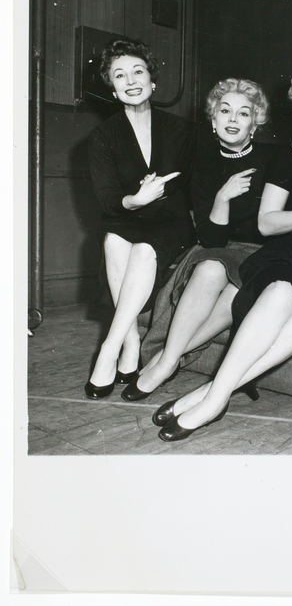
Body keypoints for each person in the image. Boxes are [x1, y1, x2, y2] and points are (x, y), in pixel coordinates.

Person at [155, 53, 292, 443]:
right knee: (278, 293)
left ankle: (207, 395)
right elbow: (266, 222)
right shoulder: (291, 152)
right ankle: (213, 402)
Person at [121, 78, 275, 401]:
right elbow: (212, 239)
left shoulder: (272, 160)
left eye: (243, 113)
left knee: (238, 288)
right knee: (211, 267)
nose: (233, 119)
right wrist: (223, 197)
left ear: (254, 124)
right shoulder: (203, 166)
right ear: (214, 120)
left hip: (266, 252)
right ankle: (167, 363)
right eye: (225, 111)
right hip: (219, 250)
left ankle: (167, 358)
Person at [85, 38, 195, 399]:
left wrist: (159, 195)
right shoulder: (103, 135)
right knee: (113, 239)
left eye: (138, 71)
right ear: (113, 89)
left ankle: (108, 349)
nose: (130, 80)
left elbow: (195, 184)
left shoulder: (181, 129)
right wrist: (136, 199)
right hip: (125, 215)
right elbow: (107, 200)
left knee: (144, 249)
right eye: (120, 75)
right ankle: (130, 342)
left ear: (153, 81)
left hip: (170, 220)